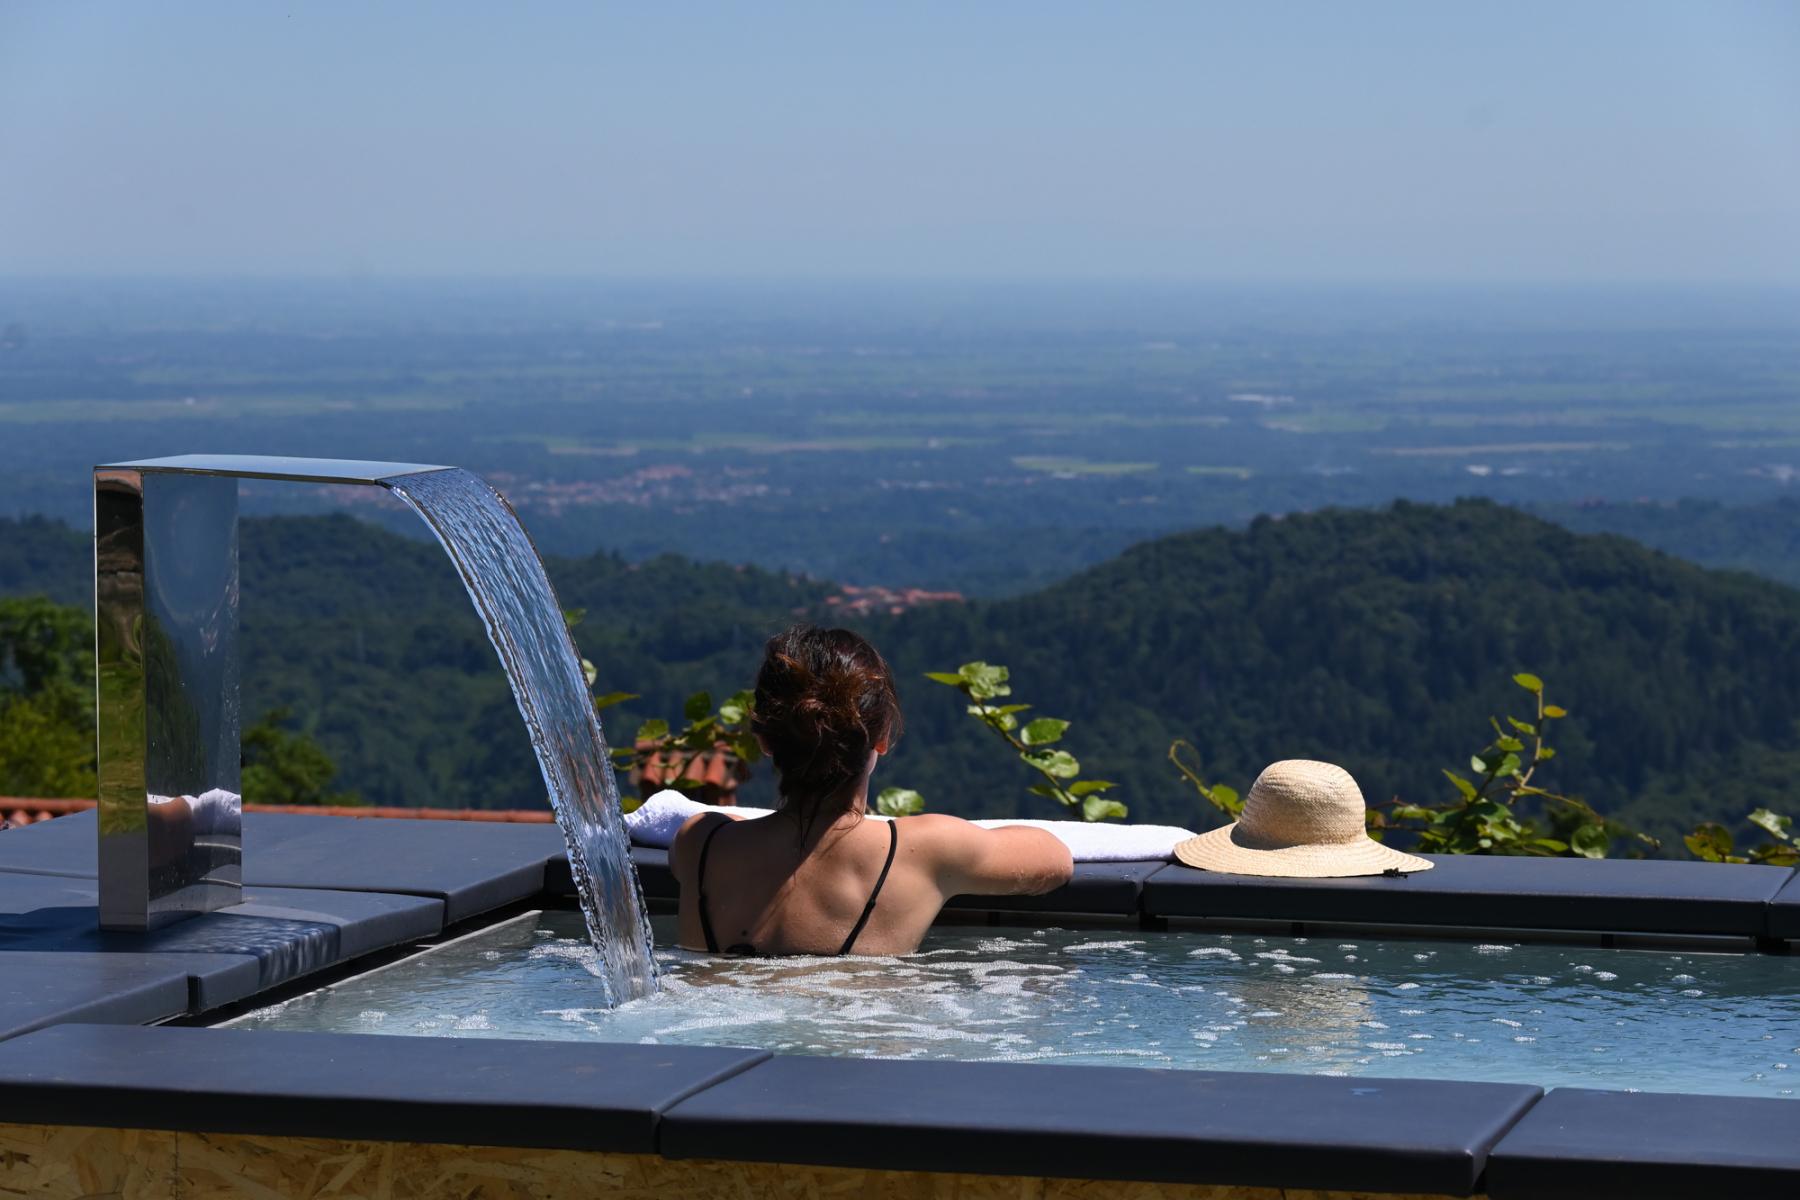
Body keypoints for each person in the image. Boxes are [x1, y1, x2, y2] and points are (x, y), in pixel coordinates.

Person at [671, 625, 1073, 956]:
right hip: (858, 1041)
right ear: (881, 737)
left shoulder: (700, 843)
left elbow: (761, 843)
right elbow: (1054, 859)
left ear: (764, 740)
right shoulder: (925, 850)